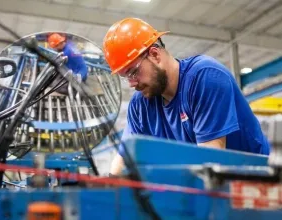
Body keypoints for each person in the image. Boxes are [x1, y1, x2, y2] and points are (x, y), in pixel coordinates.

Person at [102, 18, 271, 176]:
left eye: (133, 72)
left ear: (155, 55)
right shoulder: (140, 105)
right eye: (126, 77)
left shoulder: (205, 77)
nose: (132, 83)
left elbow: (210, 161)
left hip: (256, 183)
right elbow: (124, 158)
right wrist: (109, 192)